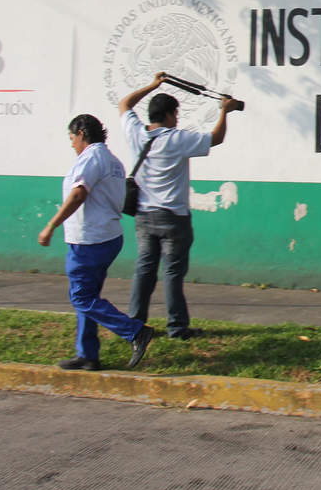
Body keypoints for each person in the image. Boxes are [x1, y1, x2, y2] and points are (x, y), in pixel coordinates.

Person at [120, 72, 241, 339]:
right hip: (173, 217)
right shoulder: (176, 139)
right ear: (170, 114)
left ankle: (134, 324)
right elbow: (215, 138)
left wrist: (153, 84)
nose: (177, 119)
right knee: (173, 273)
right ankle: (176, 326)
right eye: (176, 113)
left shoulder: (136, 134)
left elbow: (125, 104)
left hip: (143, 215)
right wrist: (225, 112)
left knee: (144, 269)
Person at [37, 114, 156, 371]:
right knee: (89, 296)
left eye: (71, 138)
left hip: (88, 240)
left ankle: (135, 332)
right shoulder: (113, 161)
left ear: (81, 133)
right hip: (107, 237)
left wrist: (51, 225)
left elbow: (79, 193)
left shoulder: (91, 158)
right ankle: (88, 354)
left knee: (81, 297)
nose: (71, 144)